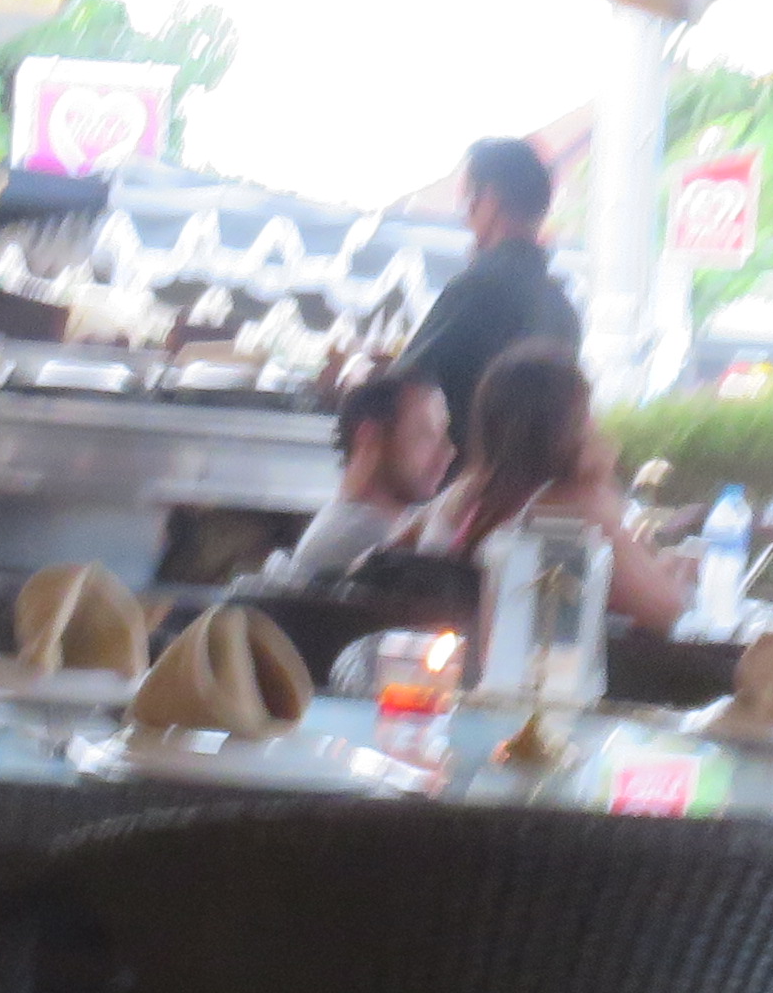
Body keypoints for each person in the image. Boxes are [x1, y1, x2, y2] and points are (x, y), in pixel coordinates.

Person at [402, 345, 690, 633]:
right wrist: (678, 570)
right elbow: (665, 609)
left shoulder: (458, 496)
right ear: (572, 423)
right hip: (526, 660)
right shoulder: (572, 505)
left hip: (445, 651)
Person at [391, 138, 582, 441]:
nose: (466, 217)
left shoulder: (477, 289)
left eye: (468, 199)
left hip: (464, 469)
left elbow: (400, 393)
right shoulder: (563, 313)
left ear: (490, 200)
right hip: (530, 472)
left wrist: (361, 372)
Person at [264, 369, 453, 581]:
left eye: (443, 435)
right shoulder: (360, 538)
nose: (448, 451)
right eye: (425, 434)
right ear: (369, 436)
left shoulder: (375, 526)